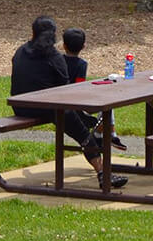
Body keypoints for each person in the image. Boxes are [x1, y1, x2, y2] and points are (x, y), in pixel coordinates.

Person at [11, 16, 127, 190]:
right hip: (47, 108)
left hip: (20, 106)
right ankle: (103, 173)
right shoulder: (54, 57)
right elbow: (66, 92)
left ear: (33, 33)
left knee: (81, 120)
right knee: (82, 131)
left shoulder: (20, 51)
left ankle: (98, 131)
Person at [62, 28, 128, 150]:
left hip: (62, 101)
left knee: (105, 104)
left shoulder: (59, 60)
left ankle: (100, 135)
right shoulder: (81, 64)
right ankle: (108, 134)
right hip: (76, 106)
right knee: (107, 102)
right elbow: (79, 86)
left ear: (63, 46)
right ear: (83, 46)